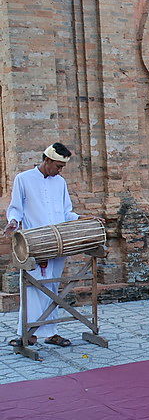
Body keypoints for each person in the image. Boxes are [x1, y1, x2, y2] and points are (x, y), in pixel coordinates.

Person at [4, 143, 79, 348]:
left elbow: (66, 212)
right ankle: (27, 334)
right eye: (57, 166)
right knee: (32, 287)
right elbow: (16, 209)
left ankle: (51, 332)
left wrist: (83, 218)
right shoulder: (24, 179)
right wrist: (12, 221)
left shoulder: (60, 182)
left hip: (58, 241)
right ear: (46, 160)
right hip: (34, 242)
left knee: (53, 286)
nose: (59, 170)